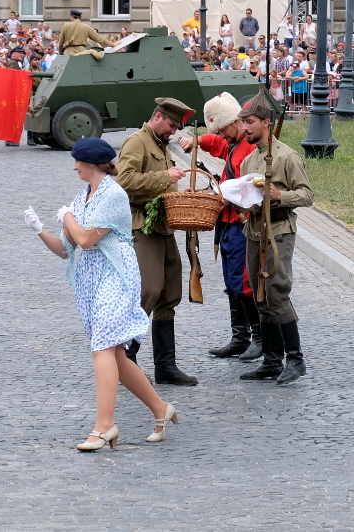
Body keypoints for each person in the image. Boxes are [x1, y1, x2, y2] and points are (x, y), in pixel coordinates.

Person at [23, 138, 178, 451]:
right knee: (115, 354)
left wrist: (67, 217)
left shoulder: (113, 194)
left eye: (77, 161)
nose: (74, 167)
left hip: (116, 274)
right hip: (91, 278)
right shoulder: (82, 197)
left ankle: (104, 426)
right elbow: (66, 249)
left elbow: (84, 239)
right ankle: (161, 409)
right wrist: (39, 229)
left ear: (91, 163)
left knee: (102, 347)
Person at [116, 97, 198, 385]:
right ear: (159, 116)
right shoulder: (137, 142)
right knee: (147, 291)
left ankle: (165, 367)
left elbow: (162, 186)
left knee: (169, 294)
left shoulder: (161, 144)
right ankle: (127, 361)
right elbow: (123, 182)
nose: (174, 132)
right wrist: (164, 176)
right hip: (142, 227)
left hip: (164, 227)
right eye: (172, 125)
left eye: (176, 128)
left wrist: (180, 196)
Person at [234, 92, 313, 384]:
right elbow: (247, 198)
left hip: (279, 230)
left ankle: (296, 360)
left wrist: (280, 195)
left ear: (266, 122)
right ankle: (270, 360)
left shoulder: (286, 156)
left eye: (250, 122)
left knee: (277, 294)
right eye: (243, 123)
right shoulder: (249, 159)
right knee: (261, 296)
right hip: (254, 231)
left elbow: (307, 195)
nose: (245, 128)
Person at [180, 92, 261, 361]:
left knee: (243, 283)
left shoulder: (249, 148)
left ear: (235, 122)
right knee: (231, 283)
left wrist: (220, 197)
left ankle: (259, 337)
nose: (222, 136)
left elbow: (250, 190)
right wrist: (196, 140)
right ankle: (240, 338)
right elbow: (215, 141)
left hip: (241, 223)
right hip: (226, 224)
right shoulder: (233, 143)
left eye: (223, 129)